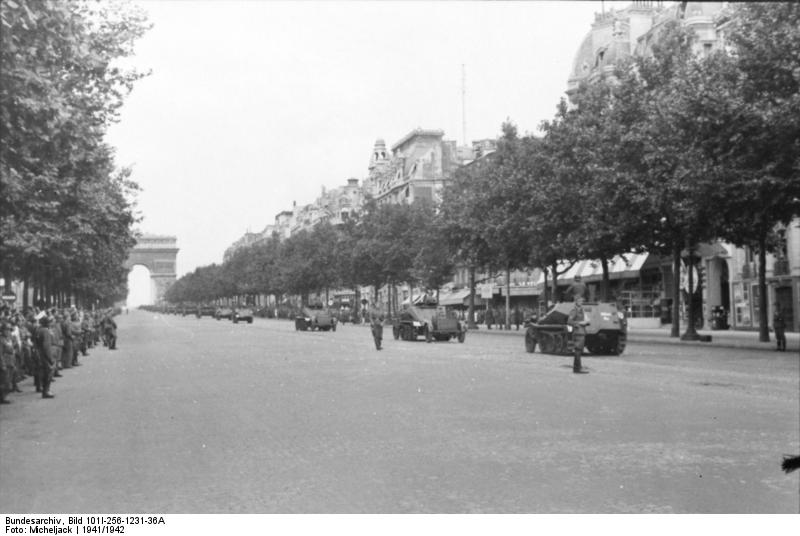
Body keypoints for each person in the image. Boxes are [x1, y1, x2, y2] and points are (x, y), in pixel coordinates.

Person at [35, 316, 56, 398]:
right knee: (48, 373)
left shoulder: (38, 330)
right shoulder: (45, 331)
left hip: (38, 353)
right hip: (44, 354)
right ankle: (46, 391)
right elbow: (46, 346)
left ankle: (43, 389)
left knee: (41, 371)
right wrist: (50, 358)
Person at [568, 297, 589, 374]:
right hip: (577, 333)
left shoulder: (582, 311)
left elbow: (585, 321)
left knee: (579, 351)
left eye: (582, 301)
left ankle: (577, 368)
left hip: (582, 332)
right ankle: (577, 369)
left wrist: (586, 322)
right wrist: (579, 323)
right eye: (579, 301)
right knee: (578, 350)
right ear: (576, 302)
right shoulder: (574, 311)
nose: (581, 302)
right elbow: (569, 321)